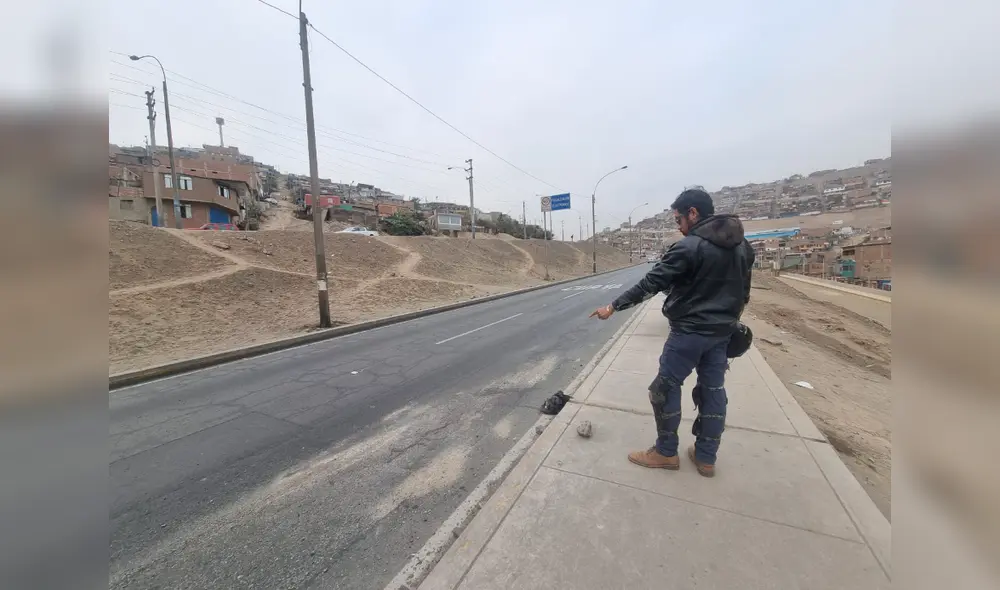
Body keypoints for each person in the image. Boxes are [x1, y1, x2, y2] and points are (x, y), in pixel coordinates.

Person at [590, 188, 754, 477]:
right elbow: (744, 293)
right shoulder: (743, 248)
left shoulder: (689, 247)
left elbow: (651, 283)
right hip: (722, 333)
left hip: (689, 333)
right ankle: (706, 457)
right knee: (713, 390)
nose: (678, 226)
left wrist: (613, 306)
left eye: (678, 219)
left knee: (663, 388)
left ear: (693, 213)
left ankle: (666, 452)